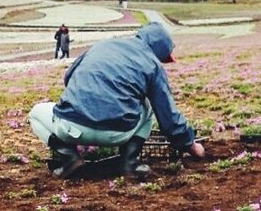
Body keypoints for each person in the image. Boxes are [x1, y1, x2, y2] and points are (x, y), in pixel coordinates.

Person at [28, 22, 204, 178]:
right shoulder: (153, 64)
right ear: (160, 52)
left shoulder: (103, 45)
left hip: (72, 128)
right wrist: (190, 145)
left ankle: (69, 157)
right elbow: (168, 116)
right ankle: (130, 162)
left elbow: (68, 78)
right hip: (117, 133)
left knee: (36, 113)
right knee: (148, 106)